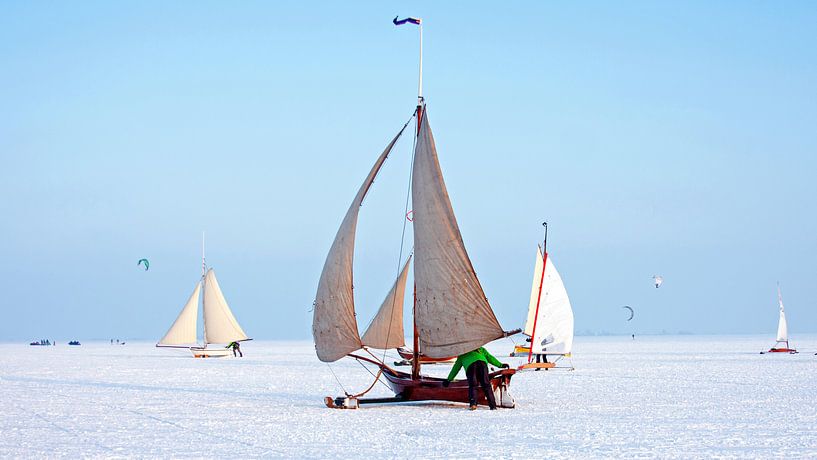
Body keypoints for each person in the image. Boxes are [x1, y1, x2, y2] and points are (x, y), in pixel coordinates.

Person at [442, 347, 509, 410]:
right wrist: (500, 365)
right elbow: (490, 358)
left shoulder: (462, 354)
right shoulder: (480, 349)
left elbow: (455, 369)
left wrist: (448, 380)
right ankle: (493, 406)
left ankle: (473, 404)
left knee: (473, 386)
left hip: (470, 367)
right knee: (486, 385)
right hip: (482, 364)